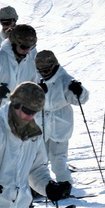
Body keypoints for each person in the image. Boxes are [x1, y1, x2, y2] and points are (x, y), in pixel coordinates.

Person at [35, 50, 87, 185]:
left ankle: (64, 183)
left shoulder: (65, 79)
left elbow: (80, 100)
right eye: (40, 70)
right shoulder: (37, 79)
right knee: (40, 158)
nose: (43, 73)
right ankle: (42, 186)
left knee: (58, 158)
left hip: (60, 124)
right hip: (42, 123)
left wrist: (79, 92)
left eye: (46, 70)